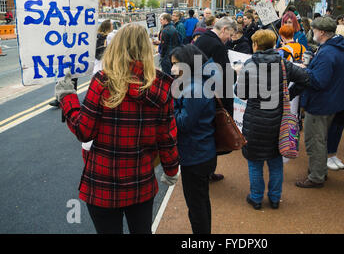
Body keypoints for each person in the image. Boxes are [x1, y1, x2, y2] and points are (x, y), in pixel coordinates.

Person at [55, 23, 180, 234]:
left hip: (103, 182)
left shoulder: (103, 82)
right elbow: (166, 137)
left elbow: (84, 131)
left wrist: (67, 98)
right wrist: (171, 170)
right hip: (141, 181)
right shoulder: (161, 86)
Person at [235, 29, 309, 209]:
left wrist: (239, 75)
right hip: (278, 120)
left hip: (255, 120)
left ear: (255, 45)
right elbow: (305, 79)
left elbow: (240, 93)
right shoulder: (283, 63)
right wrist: (289, 95)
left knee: (255, 162)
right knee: (276, 162)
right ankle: (275, 199)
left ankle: (256, 198)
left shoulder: (250, 64)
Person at [296, 17, 344, 188]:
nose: (313, 33)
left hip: (321, 103)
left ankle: (316, 176)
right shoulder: (336, 48)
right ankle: (319, 172)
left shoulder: (327, 52)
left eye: (314, 30)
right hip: (330, 101)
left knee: (315, 140)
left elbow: (319, 81)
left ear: (322, 32)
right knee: (321, 139)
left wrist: (304, 71)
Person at [170, 44, 217, 234]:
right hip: (201, 150)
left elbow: (183, 123)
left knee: (196, 206)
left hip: (196, 153)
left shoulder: (194, 87)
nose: (172, 68)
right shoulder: (198, 82)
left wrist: (169, 111)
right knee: (201, 202)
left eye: (176, 64)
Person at [194, 16, 238, 182]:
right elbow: (225, 77)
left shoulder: (201, 40)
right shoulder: (217, 46)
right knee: (213, 136)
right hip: (213, 96)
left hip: (199, 92)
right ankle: (208, 172)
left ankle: (204, 172)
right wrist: (235, 72)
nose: (230, 39)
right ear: (224, 29)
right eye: (230, 34)